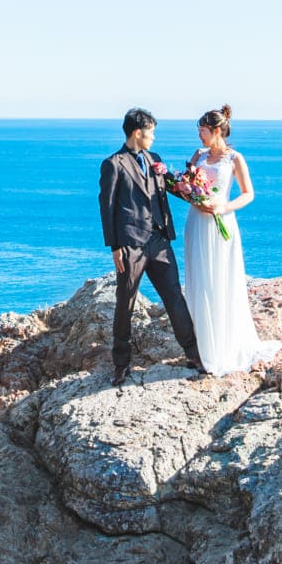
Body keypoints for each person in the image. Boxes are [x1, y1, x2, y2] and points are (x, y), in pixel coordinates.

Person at [97, 107, 204, 385]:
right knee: (126, 302)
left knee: (174, 297)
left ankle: (193, 353)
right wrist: (115, 247)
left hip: (159, 242)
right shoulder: (114, 164)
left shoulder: (155, 159)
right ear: (137, 132)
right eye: (151, 132)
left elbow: (172, 187)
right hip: (130, 244)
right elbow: (106, 207)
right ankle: (121, 364)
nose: (154, 137)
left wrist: (199, 191)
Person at [181, 105, 279, 374]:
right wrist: (189, 194)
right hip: (197, 221)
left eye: (202, 131)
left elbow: (248, 194)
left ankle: (223, 344)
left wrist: (224, 207)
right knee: (199, 277)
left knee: (220, 278)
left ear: (215, 131)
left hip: (220, 220)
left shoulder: (234, 158)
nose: (199, 136)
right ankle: (201, 345)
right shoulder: (198, 155)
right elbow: (188, 186)